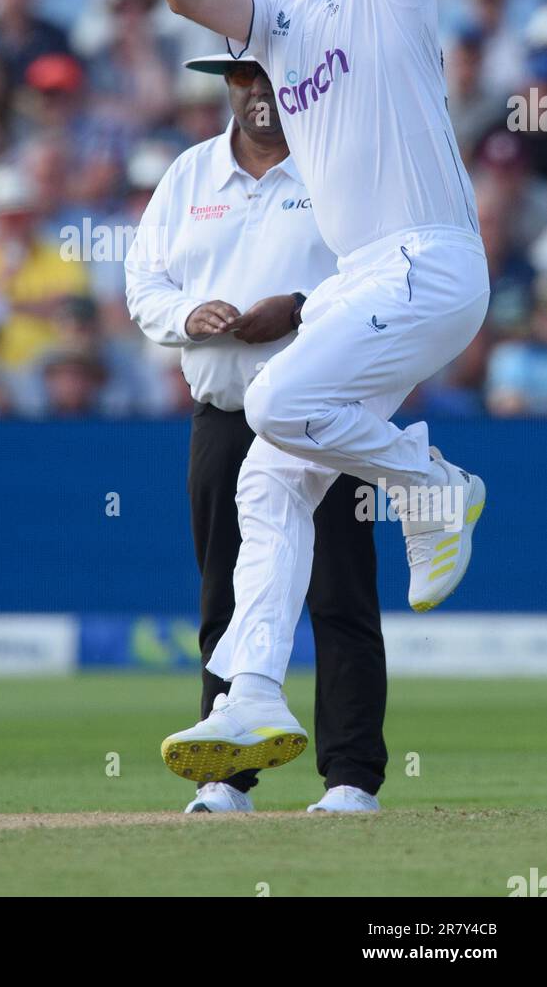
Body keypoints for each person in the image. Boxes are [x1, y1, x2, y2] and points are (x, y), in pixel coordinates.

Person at [156, 0, 490, 788]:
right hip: (363, 279)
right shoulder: (280, 15)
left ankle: (432, 486)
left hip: (431, 257)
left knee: (276, 399)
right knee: (267, 471)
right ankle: (249, 693)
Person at [125, 54, 385, 815]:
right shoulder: (189, 174)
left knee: (338, 594)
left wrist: (299, 308)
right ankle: (222, 776)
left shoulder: (335, 166)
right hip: (223, 412)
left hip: (323, 412)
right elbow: (144, 282)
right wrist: (188, 315)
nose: (257, 93)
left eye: (270, 78)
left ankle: (349, 780)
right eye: (242, 78)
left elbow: (378, 278)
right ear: (226, 86)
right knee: (223, 596)